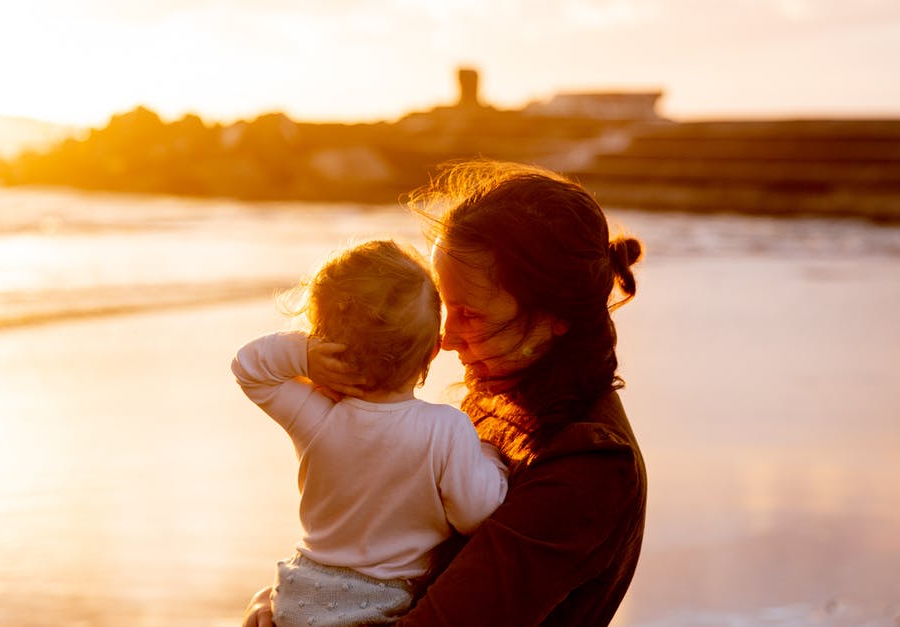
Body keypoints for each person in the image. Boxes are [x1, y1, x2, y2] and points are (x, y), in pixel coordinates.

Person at [242, 160, 646, 626]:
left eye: (469, 315)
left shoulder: (590, 466)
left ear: (555, 316)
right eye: (444, 308)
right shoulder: (503, 402)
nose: (447, 339)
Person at [232, 239, 509, 627]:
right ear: (433, 350)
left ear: (329, 343)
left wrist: (304, 356)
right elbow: (475, 513)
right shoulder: (447, 430)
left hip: (298, 593)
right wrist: (490, 457)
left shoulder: (317, 418)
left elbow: (250, 368)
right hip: (377, 606)